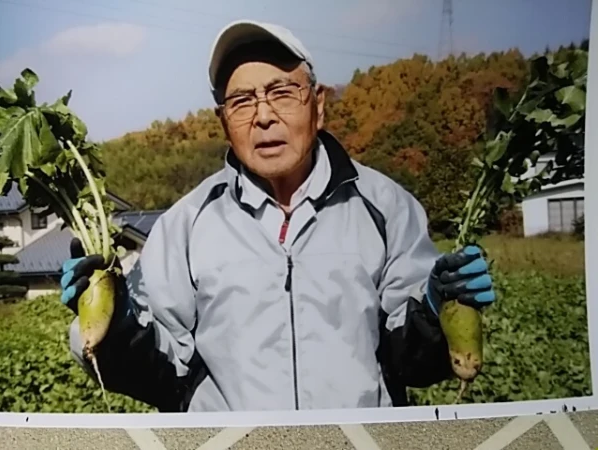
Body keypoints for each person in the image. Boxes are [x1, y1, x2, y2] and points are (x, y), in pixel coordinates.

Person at [61, 20, 496, 413]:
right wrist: (112, 324)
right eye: (242, 101)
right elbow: (159, 373)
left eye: (282, 93)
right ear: (222, 120)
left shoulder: (386, 206)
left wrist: (437, 309)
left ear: (318, 104)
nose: (264, 116)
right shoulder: (187, 223)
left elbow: (412, 363)